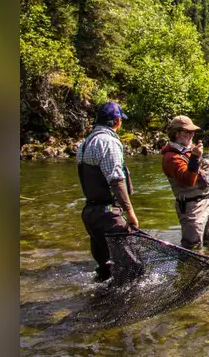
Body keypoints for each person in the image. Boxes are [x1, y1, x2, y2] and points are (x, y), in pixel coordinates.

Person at [76, 101, 140, 282]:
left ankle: (101, 302)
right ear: (118, 121)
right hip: (108, 215)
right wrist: (130, 212)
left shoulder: (84, 143)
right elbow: (116, 180)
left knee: (105, 268)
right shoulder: (109, 142)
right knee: (133, 268)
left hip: (90, 214)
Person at [161, 115, 209, 249]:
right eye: (187, 132)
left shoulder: (189, 149)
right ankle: (188, 270)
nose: (192, 134)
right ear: (176, 133)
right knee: (193, 247)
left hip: (208, 201)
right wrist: (194, 157)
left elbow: (207, 168)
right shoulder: (171, 158)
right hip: (191, 207)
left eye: (193, 131)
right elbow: (188, 181)